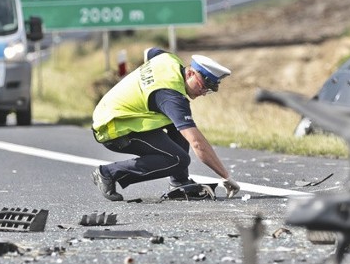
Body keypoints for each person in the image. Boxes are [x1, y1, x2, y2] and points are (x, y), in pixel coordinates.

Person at [91, 47, 241, 201]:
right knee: (178, 159)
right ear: (190, 73)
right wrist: (225, 176)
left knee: (180, 122)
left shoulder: (169, 60)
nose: (203, 93)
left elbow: (150, 51)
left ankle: (179, 182)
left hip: (112, 112)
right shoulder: (171, 97)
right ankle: (109, 173)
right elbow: (197, 144)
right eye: (203, 86)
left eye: (208, 90)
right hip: (113, 129)